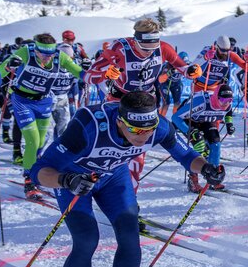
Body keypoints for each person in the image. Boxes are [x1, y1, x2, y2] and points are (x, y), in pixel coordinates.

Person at [31, 91, 224, 267]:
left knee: (130, 236)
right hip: (76, 179)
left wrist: (206, 167)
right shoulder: (89, 124)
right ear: (120, 122)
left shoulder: (158, 126)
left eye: (148, 131)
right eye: (136, 131)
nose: (143, 137)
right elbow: (39, 171)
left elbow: (186, 155)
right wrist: (65, 180)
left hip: (114, 178)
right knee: (87, 239)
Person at [85, 19, 201, 193]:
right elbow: (88, 75)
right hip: (119, 101)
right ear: (135, 40)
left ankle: (129, 200)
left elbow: (184, 68)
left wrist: (193, 71)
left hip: (145, 105)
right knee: (106, 147)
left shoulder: (163, 48)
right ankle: (90, 183)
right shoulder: (119, 49)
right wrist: (104, 73)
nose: (148, 53)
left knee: (137, 155)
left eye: (152, 49)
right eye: (144, 48)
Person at [0, 34, 84, 198]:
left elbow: (81, 73)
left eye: (49, 54)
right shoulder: (25, 52)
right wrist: (7, 68)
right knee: (33, 141)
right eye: (42, 54)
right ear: (35, 49)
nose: (46, 58)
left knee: (41, 143)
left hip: (44, 101)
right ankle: (29, 181)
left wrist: (99, 74)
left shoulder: (60, 57)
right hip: (22, 100)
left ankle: (35, 169)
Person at [171, 84, 234, 192]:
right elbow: (175, 117)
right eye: (223, 100)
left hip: (207, 120)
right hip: (190, 121)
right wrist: (190, 131)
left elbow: (229, 112)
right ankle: (193, 180)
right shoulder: (201, 102)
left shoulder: (228, 104)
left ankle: (213, 178)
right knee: (199, 146)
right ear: (216, 96)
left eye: (229, 100)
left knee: (216, 145)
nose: (226, 103)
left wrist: (229, 124)